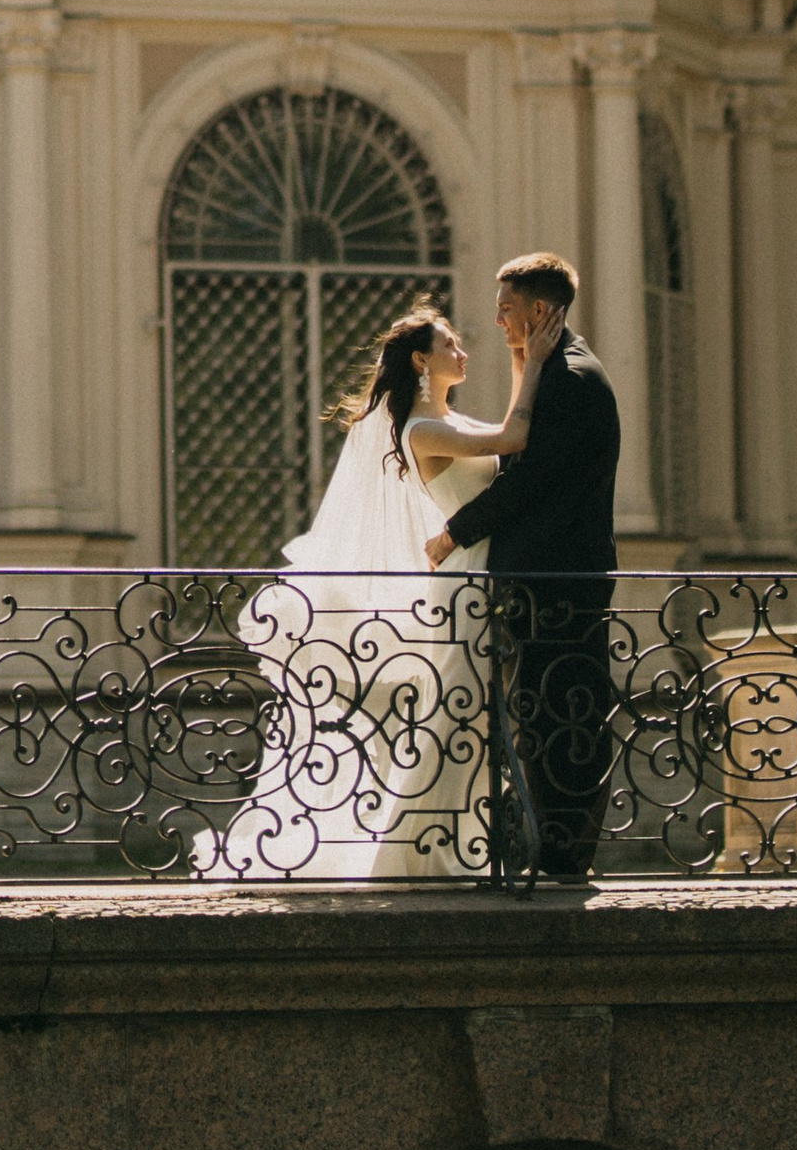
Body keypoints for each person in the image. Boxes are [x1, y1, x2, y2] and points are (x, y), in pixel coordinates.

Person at [197, 301, 550, 883]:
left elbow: (507, 430)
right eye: (449, 346)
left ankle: (461, 849)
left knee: (471, 720)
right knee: (455, 719)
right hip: (461, 583)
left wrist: (521, 360)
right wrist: (529, 360)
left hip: (475, 575)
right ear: (420, 360)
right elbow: (516, 436)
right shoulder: (423, 429)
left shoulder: (450, 422)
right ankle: (415, 858)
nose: (462, 353)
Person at [431, 252, 621, 882]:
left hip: (557, 579)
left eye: (508, 307)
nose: (498, 318)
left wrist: (455, 533)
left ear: (542, 310)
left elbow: (532, 480)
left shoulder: (570, 380)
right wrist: (524, 364)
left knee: (560, 713)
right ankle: (550, 848)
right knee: (541, 713)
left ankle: (563, 855)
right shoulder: (557, 369)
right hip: (547, 579)